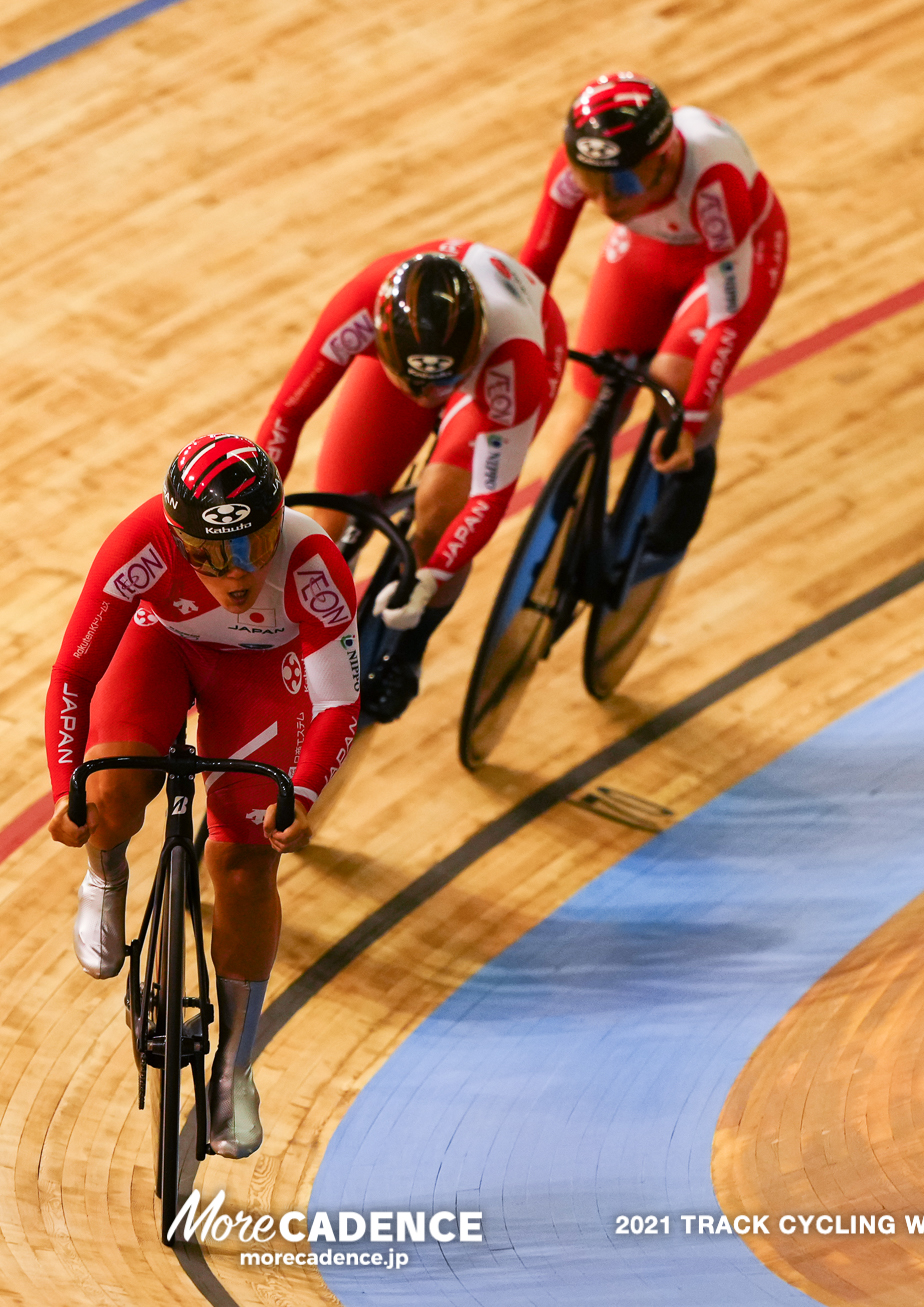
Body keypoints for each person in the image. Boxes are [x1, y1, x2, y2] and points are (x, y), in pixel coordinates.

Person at [44, 433, 361, 1159]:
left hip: (262, 675)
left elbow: (340, 701)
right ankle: (107, 870)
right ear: (178, 539)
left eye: (253, 546)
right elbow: (74, 674)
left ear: (278, 520)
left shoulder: (313, 565)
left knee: (248, 866)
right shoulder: (141, 543)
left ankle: (234, 1070)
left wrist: (302, 794)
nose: (238, 574)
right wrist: (66, 788)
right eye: (211, 558)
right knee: (111, 791)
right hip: (162, 645)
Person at [256, 241, 566, 721]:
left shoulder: (513, 357)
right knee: (332, 513)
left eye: (439, 385)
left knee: (442, 508)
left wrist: (431, 577)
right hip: (401, 366)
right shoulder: (359, 307)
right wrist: (259, 513)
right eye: (419, 384)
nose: (429, 397)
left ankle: (408, 654)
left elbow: (488, 498)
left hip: (497, 367)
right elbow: (288, 414)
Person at [520, 71, 788, 559]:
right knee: (585, 397)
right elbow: (538, 262)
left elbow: (728, 314)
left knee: (673, 382)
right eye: (590, 184)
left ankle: (675, 513)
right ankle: (559, 537)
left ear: (662, 161)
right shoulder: (580, 161)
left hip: (734, 259)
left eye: (621, 184)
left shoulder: (712, 179)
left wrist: (692, 422)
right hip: (647, 254)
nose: (604, 203)